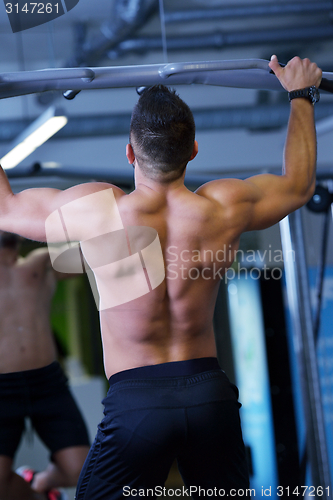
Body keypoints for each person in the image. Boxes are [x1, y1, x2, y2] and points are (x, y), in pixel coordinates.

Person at [0, 55, 322, 499]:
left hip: (137, 403)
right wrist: (301, 95)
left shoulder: (100, 211)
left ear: (130, 153)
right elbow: (300, 184)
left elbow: (5, 208)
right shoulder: (224, 206)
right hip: (210, 395)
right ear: (193, 150)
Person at [0, 232, 91, 500]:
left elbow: (92, 256)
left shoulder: (41, 262)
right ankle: (38, 495)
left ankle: (40, 481)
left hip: (47, 383)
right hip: (1, 390)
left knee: (80, 471)